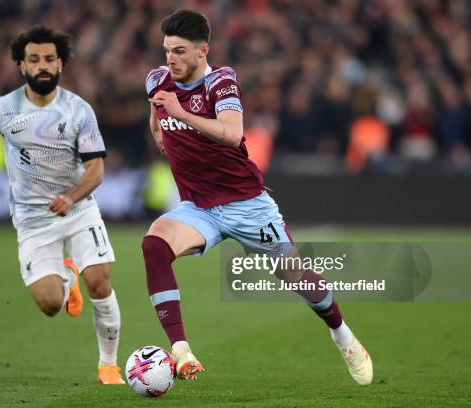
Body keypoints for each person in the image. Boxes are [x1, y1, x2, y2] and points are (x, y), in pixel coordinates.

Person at [143, 9, 372, 384]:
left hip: (247, 205)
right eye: (167, 50)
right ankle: (181, 351)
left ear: (203, 51)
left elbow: (233, 134)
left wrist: (180, 114)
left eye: (180, 51)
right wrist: (161, 131)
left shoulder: (222, 83)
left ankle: (342, 335)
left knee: (296, 275)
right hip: (200, 208)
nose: (170, 59)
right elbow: (157, 120)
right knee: (154, 244)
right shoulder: (157, 81)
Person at [0, 25, 124, 385]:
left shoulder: (78, 110)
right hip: (33, 221)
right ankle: (66, 279)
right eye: (33, 59)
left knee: (99, 281)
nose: (42, 66)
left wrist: (71, 196)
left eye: (49, 59)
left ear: (61, 64)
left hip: (79, 209)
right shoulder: (1, 110)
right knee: (50, 304)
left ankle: (108, 365)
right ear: (21, 65)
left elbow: (97, 168)